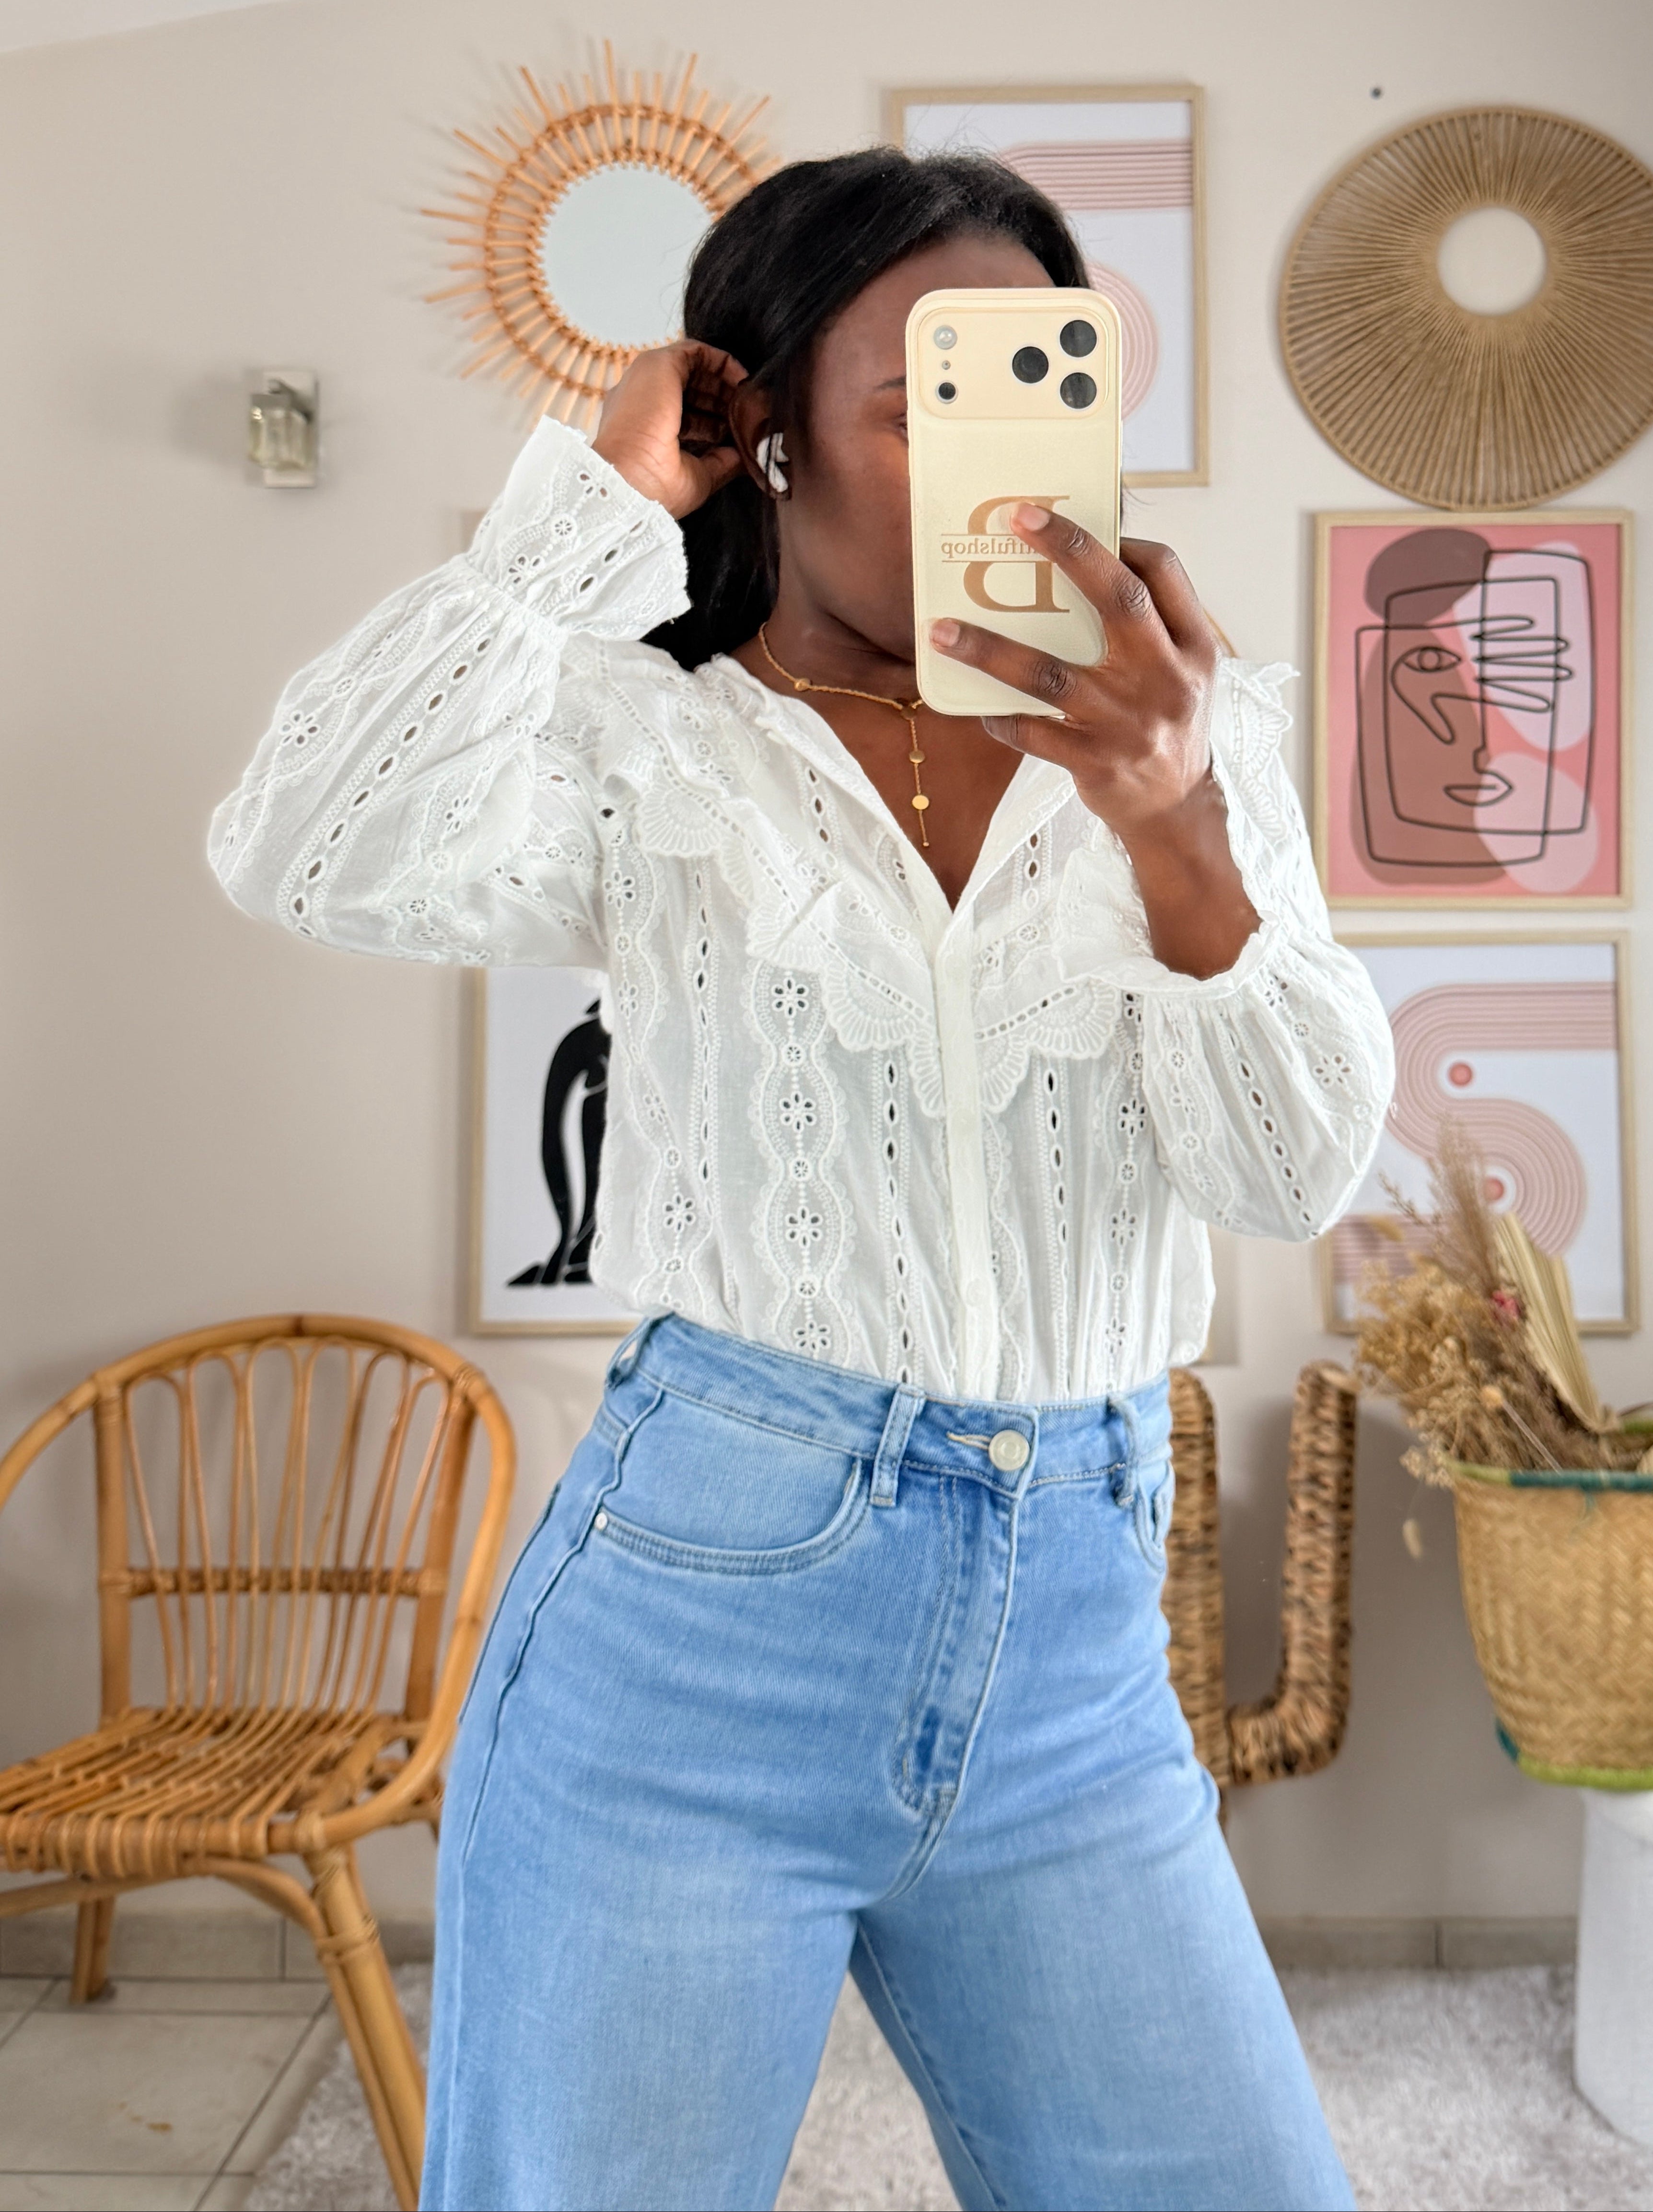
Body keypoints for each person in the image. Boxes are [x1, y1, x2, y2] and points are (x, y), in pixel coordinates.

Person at [210, 146, 1391, 2212]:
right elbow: (298, 847)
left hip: (1079, 1664)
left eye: (1038, 386)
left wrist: (1172, 822)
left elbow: (1289, 1169)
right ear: (758, 429)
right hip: (690, 1646)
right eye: (925, 400)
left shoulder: (1206, 739)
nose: (1002, 467)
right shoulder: (648, 738)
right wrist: (588, 515)